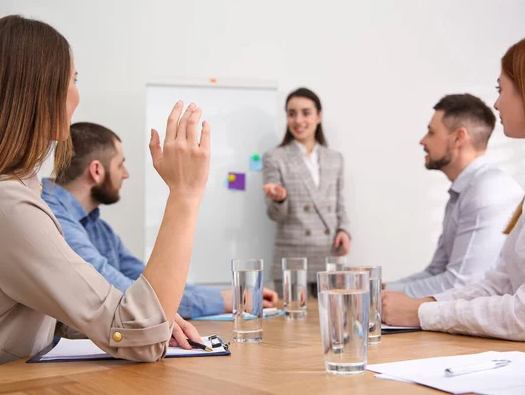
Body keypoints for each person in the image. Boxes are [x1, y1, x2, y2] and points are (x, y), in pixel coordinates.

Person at [0, 15, 207, 379]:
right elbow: (138, 336)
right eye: (73, 80)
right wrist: (186, 194)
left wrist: (143, 322)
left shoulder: (11, 193)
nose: (77, 94)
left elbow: (43, 313)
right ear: (39, 91)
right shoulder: (5, 206)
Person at [382, 28, 525, 343]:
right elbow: (500, 283)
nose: (497, 104)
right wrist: (412, 303)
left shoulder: (489, 190)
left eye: (502, 89)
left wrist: (419, 312)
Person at [42, 122, 278, 318]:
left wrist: (234, 296)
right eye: (120, 164)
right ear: (96, 170)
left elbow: (146, 282)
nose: (126, 174)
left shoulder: (98, 228)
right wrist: (226, 300)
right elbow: (132, 298)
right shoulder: (51, 218)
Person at [383, 94, 523, 297]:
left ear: (458, 137)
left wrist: (380, 295)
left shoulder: (487, 191)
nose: (423, 141)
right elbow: (437, 271)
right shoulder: (464, 190)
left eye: (431, 132)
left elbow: (461, 285)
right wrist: (381, 290)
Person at [263, 88, 350, 293]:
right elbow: (275, 215)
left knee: (331, 320)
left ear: (319, 116)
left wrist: (344, 229)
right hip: (292, 260)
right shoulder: (275, 157)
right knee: (292, 323)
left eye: (305, 112)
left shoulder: (334, 158)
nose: (298, 120)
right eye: (292, 113)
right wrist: (279, 199)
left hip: (328, 256)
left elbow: (340, 203)